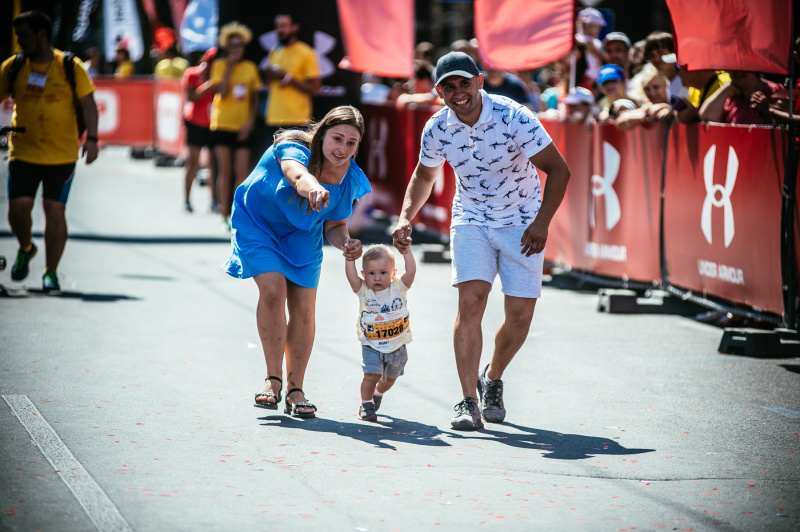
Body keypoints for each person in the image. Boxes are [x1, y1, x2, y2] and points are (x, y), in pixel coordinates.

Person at [392, 52, 571, 430]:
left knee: (519, 316)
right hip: (471, 219)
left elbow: (559, 170)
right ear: (438, 92)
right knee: (470, 300)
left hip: (522, 224)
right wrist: (406, 217)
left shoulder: (514, 116)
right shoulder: (437, 127)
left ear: (480, 81)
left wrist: (542, 223)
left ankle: (492, 376)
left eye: (465, 83)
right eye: (449, 87)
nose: (459, 93)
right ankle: (467, 402)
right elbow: (425, 177)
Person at [222, 105, 371, 418]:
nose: (342, 149)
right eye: (337, 139)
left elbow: (334, 225)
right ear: (322, 135)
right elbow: (297, 175)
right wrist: (314, 186)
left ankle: (295, 389)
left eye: (351, 143)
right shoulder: (294, 148)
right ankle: (272, 379)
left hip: (302, 235)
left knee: (304, 309)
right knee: (274, 288)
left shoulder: (349, 178)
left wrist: (346, 243)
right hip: (258, 223)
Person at [1, 10, 99, 291]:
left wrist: (92, 139)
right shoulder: (14, 67)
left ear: (42, 35)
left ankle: (51, 272)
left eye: (25, 37)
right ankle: (25, 246)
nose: (20, 42)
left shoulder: (69, 65)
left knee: (54, 210)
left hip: (62, 154)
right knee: (18, 209)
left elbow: (89, 105)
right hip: (23, 152)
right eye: (18, 37)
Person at [345, 244, 416, 422]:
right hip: (372, 344)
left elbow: (412, 271)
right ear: (364, 274)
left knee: (389, 379)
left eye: (383, 273)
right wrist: (349, 259)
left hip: (397, 345)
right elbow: (351, 276)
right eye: (371, 273)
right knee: (371, 375)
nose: (377, 278)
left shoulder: (399, 287)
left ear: (393, 273)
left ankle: (378, 393)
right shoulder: (364, 291)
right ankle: (366, 403)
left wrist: (406, 252)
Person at [209, 22, 261, 230]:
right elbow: (220, 93)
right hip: (222, 124)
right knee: (225, 171)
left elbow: (255, 99)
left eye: (240, 46)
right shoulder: (219, 66)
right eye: (233, 46)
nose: (237, 49)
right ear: (227, 48)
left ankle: (237, 214)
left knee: (242, 173)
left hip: (243, 127)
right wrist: (229, 66)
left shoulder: (250, 68)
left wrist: (250, 123)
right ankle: (223, 215)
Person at [261, 12, 321, 144]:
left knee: (295, 162)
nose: (279, 30)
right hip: (273, 119)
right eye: (277, 26)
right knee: (273, 163)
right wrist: (269, 75)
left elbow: (315, 88)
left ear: (294, 27)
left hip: (296, 121)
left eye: (283, 26)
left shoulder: (306, 52)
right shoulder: (275, 51)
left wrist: (287, 77)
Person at [181, 47, 218, 213]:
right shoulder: (192, 73)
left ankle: (213, 201)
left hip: (213, 124)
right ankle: (187, 200)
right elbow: (191, 97)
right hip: (195, 122)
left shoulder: (218, 75)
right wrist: (208, 85)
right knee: (193, 163)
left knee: (212, 164)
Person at [699, 71, 786, 125]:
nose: (736, 72)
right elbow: (706, 116)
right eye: (732, 67)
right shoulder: (730, 95)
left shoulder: (775, 91)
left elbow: (781, 124)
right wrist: (728, 87)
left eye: (742, 67)